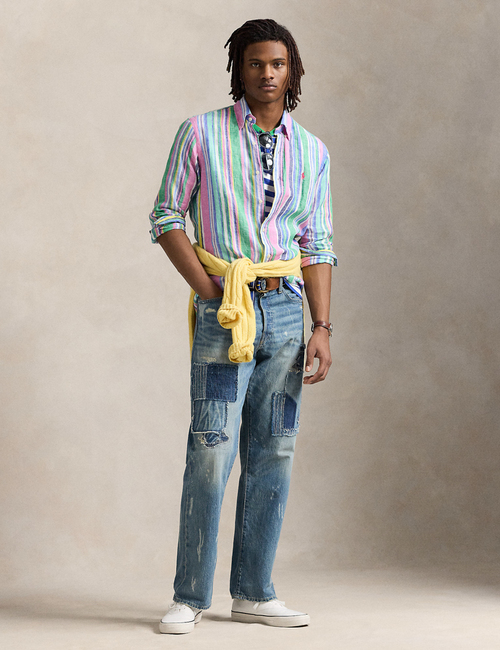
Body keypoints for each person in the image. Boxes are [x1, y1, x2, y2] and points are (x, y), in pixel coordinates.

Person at [148, 18, 337, 635]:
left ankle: (254, 592)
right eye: (255, 63)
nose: (267, 73)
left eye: (277, 63)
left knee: (275, 448)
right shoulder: (200, 133)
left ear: (292, 70)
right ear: (239, 69)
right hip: (227, 311)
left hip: (286, 312)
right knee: (211, 448)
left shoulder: (312, 151)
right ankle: (189, 596)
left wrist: (322, 326)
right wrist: (208, 289)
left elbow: (317, 244)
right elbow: (167, 216)